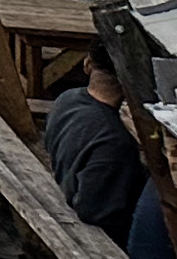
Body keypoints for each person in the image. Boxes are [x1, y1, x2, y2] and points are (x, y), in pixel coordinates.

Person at [47, 53, 147, 243]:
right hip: (105, 237)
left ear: (87, 64)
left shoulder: (66, 99)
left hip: (67, 186)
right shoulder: (115, 141)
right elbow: (95, 211)